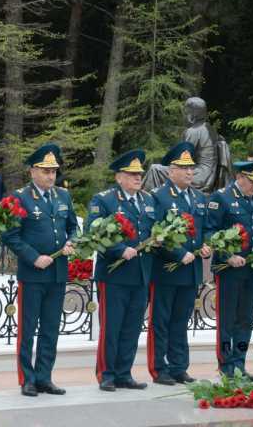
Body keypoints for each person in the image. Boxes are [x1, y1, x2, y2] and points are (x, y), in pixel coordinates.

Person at [2, 144, 78, 397]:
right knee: (28, 329)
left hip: (57, 273)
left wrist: (71, 242)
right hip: (33, 274)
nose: (50, 176)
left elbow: (73, 227)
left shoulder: (62, 196)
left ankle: (45, 377)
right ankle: (28, 379)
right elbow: (11, 236)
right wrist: (34, 257)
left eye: (54, 171)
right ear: (33, 171)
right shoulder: (20, 197)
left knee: (50, 328)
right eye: (45, 171)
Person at [87, 150, 158, 391]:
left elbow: (153, 229)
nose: (138, 177)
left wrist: (158, 239)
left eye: (139, 174)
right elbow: (93, 232)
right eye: (132, 174)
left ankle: (124, 372)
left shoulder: (148, 200)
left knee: (131, 326)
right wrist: (119, 249)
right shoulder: (104, 200)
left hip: (140, 274)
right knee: (112, 326)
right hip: (114, 275)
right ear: (119, 177)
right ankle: (106, 373)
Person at [147, 142, 212, 385]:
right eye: (183, 167)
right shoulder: (159, 197)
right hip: (166, 270)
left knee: (181, 320)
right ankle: (159, 368)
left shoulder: (198, 197)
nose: (189, 172)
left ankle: (179, 366)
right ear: (170, 170)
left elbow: (204, 229)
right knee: (161, 321)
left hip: (191, 270)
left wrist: (205, 245)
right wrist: (177, 253)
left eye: (191, 167)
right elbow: (156, 234)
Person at [206, 159, 253, 380]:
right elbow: (210, 232)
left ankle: (239, 364)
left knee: (245, 319)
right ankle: (226, 366)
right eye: (252, 181)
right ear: (240, 177)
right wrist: (227, 255)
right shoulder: (221, 198)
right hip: (229, 269)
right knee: (228, 319)